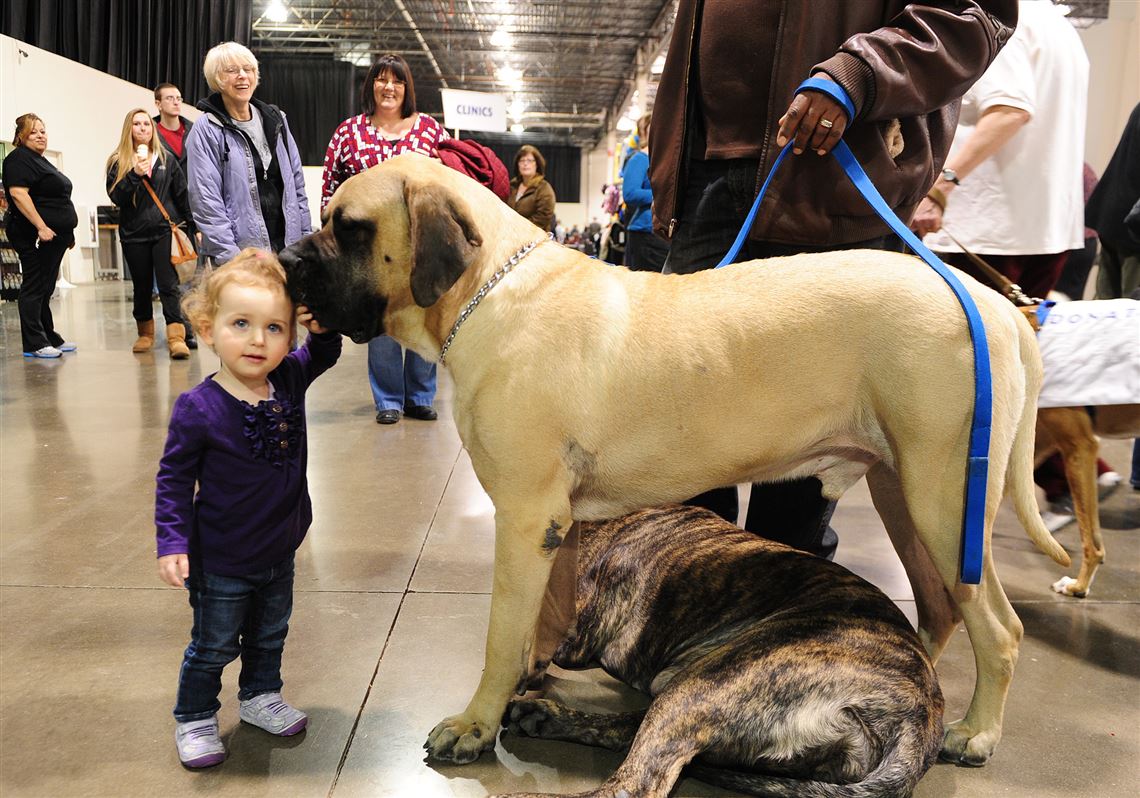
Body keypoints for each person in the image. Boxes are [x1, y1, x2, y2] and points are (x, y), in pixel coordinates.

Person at [641, 0, 1018, 560]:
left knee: (811, 442)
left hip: (830, 168)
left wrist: (860, 71)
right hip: (707, 177)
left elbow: (972, 15)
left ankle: (782, 604)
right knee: (681, 421)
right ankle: (701, 600)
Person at [155, 249, 341, 769]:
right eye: (242, 324)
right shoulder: (198, 409)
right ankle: (194, 716)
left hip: (279, 548)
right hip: (220, 559)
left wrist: (319, 328)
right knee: (213, 645)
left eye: (275, 327)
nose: (259, 340)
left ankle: (260, 696)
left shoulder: (287, 381)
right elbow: (173, 480)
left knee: (269, 633)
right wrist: (170, 541)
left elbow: (322, 354)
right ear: (208, 330)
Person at [913, 0, 1090, 302]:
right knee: (1016, 346)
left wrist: (938, 192)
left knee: (969, 346)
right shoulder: (1061, 27)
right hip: (1043, 233)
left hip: (984, 234)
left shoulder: (1003, 20)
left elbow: (1010, 109)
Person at [321, 53, 447, 425]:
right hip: (368, 248)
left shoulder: (429, 130)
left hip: (419, 241)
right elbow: (330, 188)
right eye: (381, 79)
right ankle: (388, 399)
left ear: (407, 88)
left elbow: (449, 181)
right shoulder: (349, 132)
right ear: (370, 86)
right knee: (382, 321)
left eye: (397, 81)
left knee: (424, 314)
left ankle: (421, 395)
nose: (388, 87)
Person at [185, 41, 311, 266]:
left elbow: (297, 187)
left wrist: (303, 243)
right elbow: (206, 202)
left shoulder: (277, 120)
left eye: (248, 69)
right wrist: (232, 259)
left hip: (288, 250)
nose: (242, 76)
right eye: (232, 71)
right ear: (217, 79)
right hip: (242, 256)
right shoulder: (206, 129)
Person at [106, 108, 194, 358]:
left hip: (165, 231)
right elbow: (117, 197)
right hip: (134, 234)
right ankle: (145, 333)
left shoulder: (166, 159)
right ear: (129, 129)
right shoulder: (118, 161)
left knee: (169, 285)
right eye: (137, 124)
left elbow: (181, 195)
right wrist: (134, 174)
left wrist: (192, 227)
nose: (143, 128)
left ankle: (176, 336)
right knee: (142, 286)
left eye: (147, 124)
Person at [2, 113, 78, 358]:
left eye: (43, 131)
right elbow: (18, 195)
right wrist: (41, 227)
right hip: (32, 234)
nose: (40, 135)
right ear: (20, 137)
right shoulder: (18, 159)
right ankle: (34, 343)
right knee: (34, 287)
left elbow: (57, 199)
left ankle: (49, 336)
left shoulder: (40, 160)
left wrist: (68, 233)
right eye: (33, 132)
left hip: (55, 236)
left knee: (45, 287)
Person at [153, 82, 201, 350]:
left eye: (179, 98)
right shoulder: (149, 132)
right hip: (166, 214)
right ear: (158, 103)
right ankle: (181, 330)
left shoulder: (193, 131)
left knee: (191, 275)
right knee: (171, 280)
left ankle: (189, 327)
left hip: (193, 209)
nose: (175, 102)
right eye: (169, 98)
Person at [620, 112, 668, 272]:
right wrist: (663, 196)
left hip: (658, 232)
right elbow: (630, 193)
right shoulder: (639, 159)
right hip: (645, 233)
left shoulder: (659, 157)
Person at [507, 144, 556, 232]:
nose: (525, 163)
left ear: (537, 164)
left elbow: (542, 218)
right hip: (510, 235)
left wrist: (518, 228)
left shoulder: (544, 188)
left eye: (529, 160)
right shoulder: (511, 185)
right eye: (522, 160)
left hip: (535, 239)